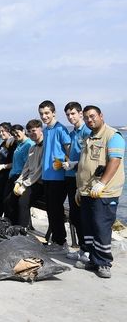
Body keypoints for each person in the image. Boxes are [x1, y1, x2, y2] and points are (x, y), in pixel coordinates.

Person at [74, 105, 124, 279]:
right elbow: (84, 166)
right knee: (89, 227)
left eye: (92, 116)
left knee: (101, 227)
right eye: (86, 117)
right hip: (87, 191)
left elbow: (115, 161)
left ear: (101, 115)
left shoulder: (112, 135)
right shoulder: (89, 138)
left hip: (104, 193)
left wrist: (102, 183)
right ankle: (93, 259)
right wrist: (79, 189)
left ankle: (103, 263)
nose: (89, 120)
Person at [39, 100, 72, 253]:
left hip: (58, 177)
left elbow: (69, 151)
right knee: (51, 210)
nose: (44, 116)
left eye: (46, 113)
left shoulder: (61, 129)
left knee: (56, 210)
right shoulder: (45, 130)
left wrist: (66, 163)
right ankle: (57, 241)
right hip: (47, 176)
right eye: (41, 114)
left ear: (53, 113)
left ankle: (61, 242)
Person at [62, 102, 92, 263]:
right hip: (70, 177)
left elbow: (89, 155)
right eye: (68, 114)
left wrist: (75, 163)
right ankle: (82, 248)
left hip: (82, 179)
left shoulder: (87, 131)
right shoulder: (73, 133)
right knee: (74, 215)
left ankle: (88, 250)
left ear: (80, 113)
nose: (70, 117)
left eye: (73, 113)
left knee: (83, 215)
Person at [9, 120, 44, 227]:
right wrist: (19, 182)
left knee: (22, 202)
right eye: (29, 131)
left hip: (39, 183)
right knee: (9, 201)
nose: (32, 133)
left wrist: (25, 185)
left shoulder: (45, 146)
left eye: (34, 130)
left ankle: (23, 231)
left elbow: (39, 170)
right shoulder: (32, 147)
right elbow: (26, 168)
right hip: (29, 182)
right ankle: (13, 228)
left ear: (41, 130)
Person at [2, 124, 34, 218]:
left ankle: (15, 226)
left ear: (23, 131)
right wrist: (10, 139)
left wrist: (21, 181)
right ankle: (9, 225)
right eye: (13, 133)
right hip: (13, 176)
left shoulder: (29, 144)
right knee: (6, 202)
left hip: (20, 176)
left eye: (17, 132)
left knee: (10, 203)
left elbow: (28, 165)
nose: (15, 135)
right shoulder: (19, 144)